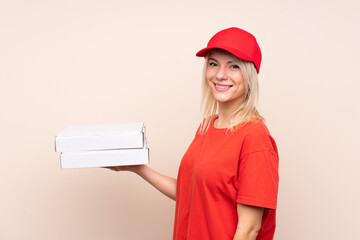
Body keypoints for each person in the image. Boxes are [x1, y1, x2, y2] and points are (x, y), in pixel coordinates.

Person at [106, 27, 279, 240]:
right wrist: (137, 168)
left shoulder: (254, 137)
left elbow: (248, 229)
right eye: (213, 64)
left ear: (249, 74)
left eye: (233, 66)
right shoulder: (207, 126)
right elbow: (191, 193)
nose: (220, 75)